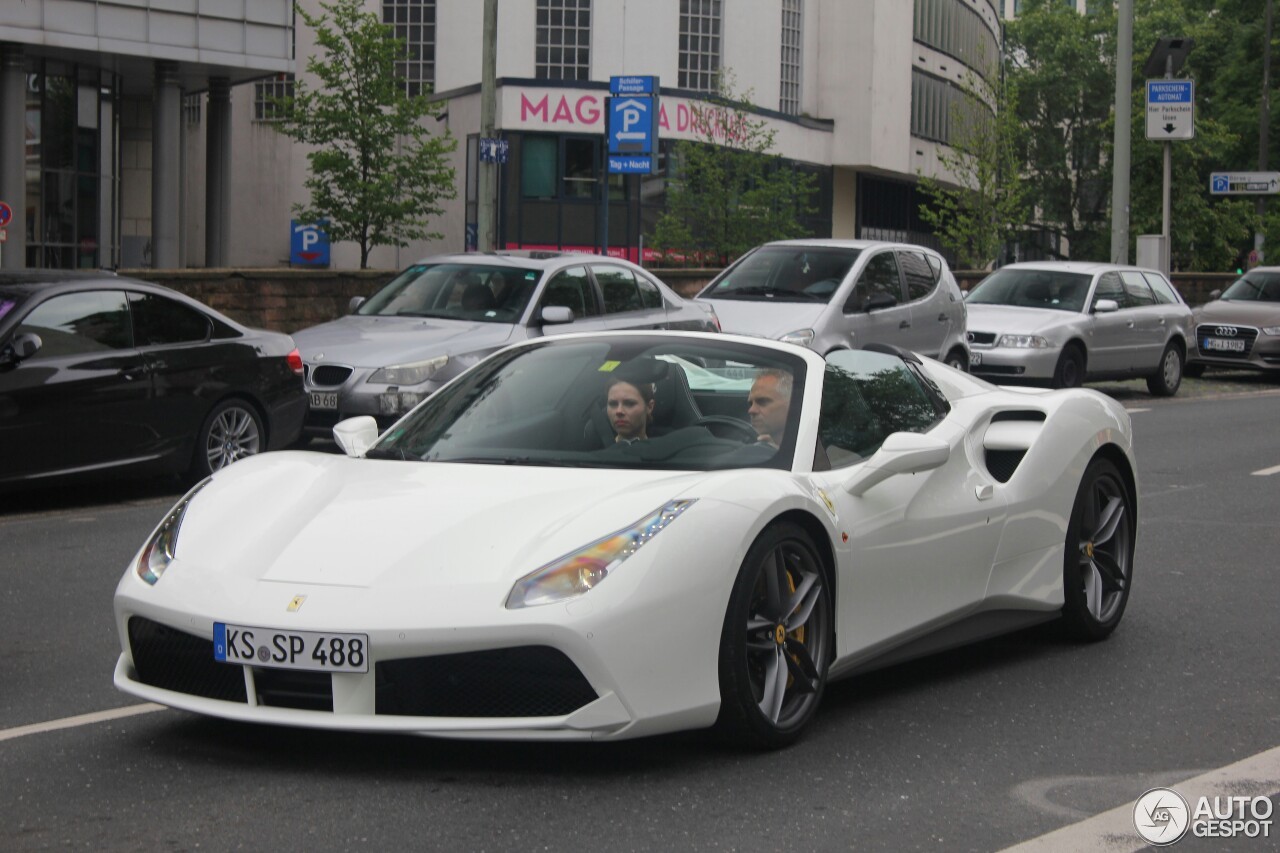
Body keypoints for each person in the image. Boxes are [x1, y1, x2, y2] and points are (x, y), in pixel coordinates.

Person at [748, 369, 793, 448]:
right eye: (751, 404)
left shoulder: (811, 446)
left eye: (762, 402)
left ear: (792, 405)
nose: (751, 410)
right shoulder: (742, 442)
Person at [605, 377, 655, 443]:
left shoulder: (666, 447)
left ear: (649, 407)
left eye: (629, 403)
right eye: (613, 404)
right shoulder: (594, 449)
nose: (619, 411)